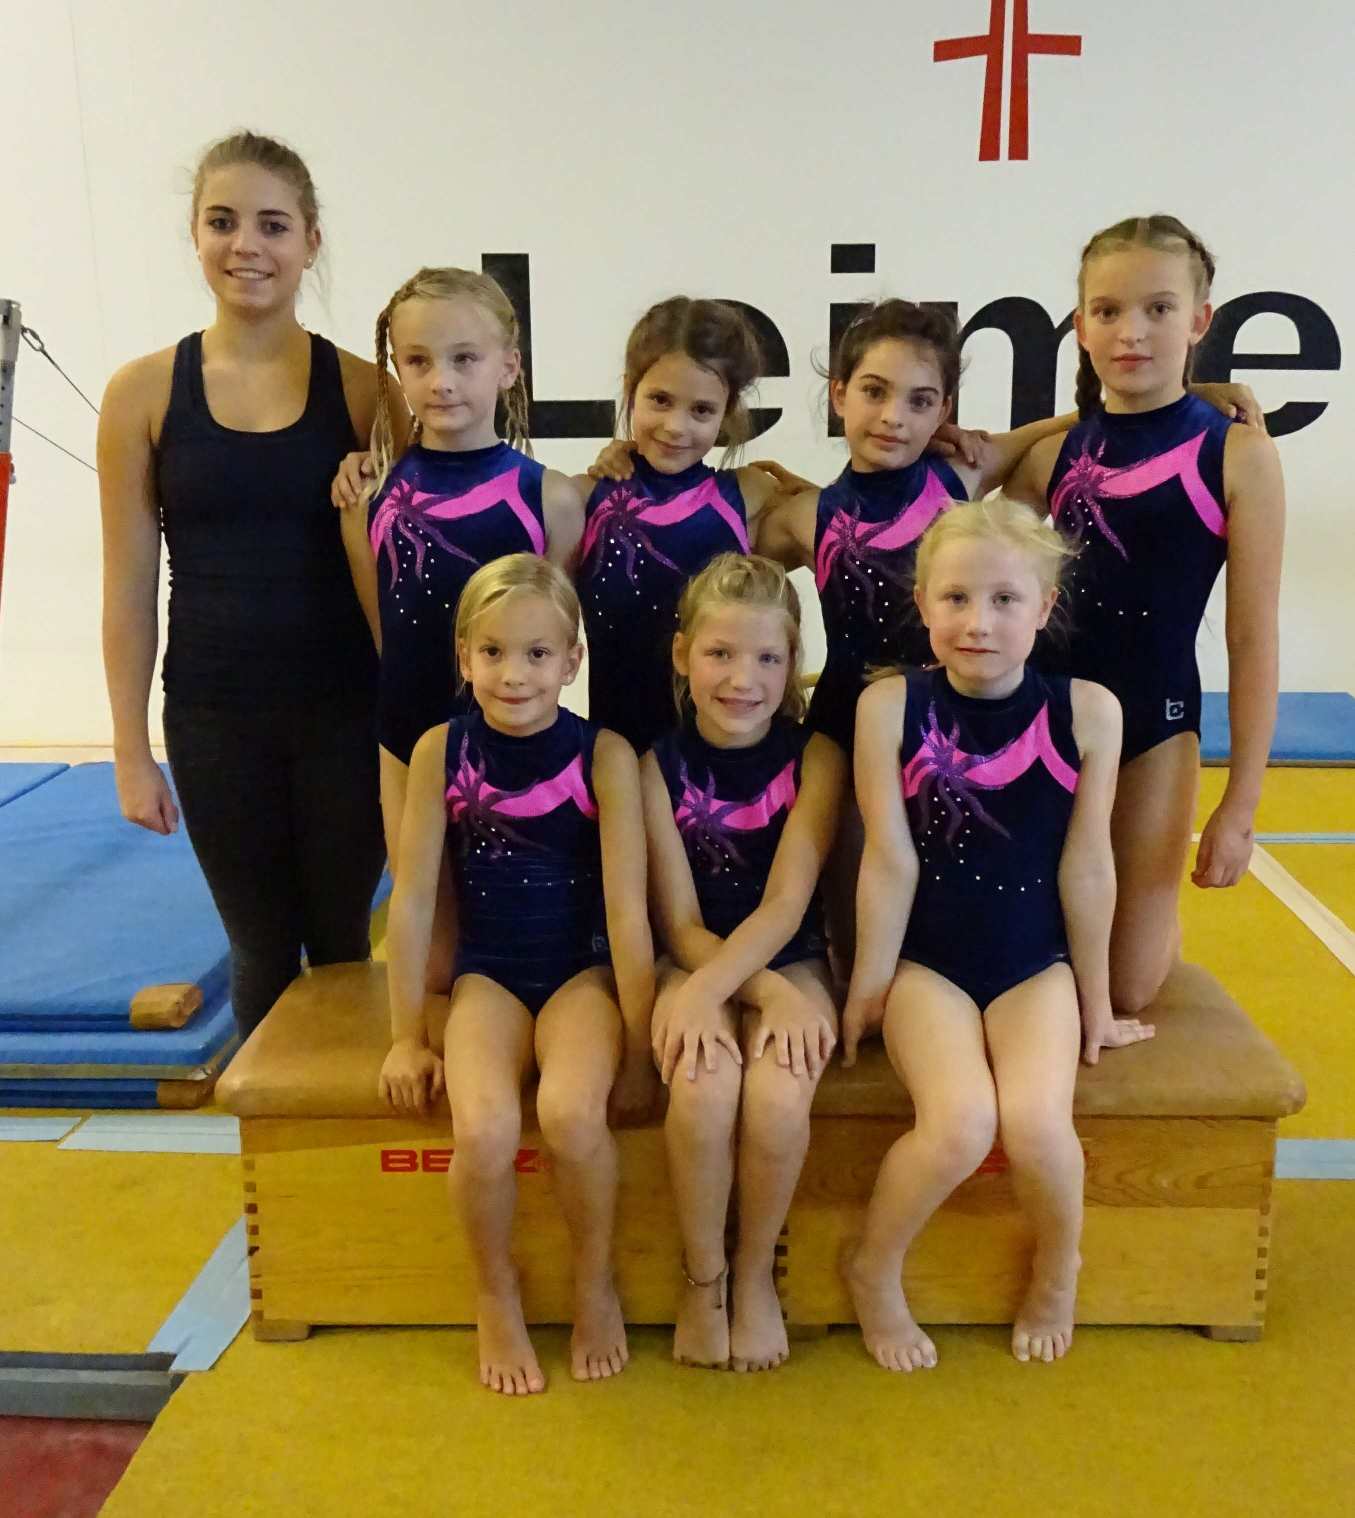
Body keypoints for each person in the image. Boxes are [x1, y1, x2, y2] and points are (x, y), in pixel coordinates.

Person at [842, 497, 1153, 1370]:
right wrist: (868, 983)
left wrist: (1094, 1002)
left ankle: (1058, 1266)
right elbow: (888, 860)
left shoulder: (1087, 711)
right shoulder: (889, 707)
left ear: (1044, 607)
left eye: (1004, 600)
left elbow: (1086, 867)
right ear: (923, 603)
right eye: (955, 599)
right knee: (957, 1125)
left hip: (1032, 966)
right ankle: (873, 1266)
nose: (977, 622)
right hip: (928, 966)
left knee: (1039, 1127)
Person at [98, 130, 385, 1039]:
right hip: (215, 716)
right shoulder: (143, 393)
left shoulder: (368, 393)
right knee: (258, 946)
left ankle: (335, 1131)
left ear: (310, 241)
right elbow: (128, 585)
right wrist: (130, 748)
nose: (246, 246)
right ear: (195, 235)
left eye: (272, 225)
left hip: (346, 712)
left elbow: (417, 568)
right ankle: (262, 1135)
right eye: (222, 222)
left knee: (339, 944)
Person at [378, 554, 655, 1395]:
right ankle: (493, 1292)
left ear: (572, 661)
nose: (513, 674)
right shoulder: (441, 751)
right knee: (486, 1131)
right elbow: (412, 900)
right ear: (463, 656)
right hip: (488, 978)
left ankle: (594, 1281)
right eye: (493, 652)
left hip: (580, 977)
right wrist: (404, 1038)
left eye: (537, 654)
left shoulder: (603, 755)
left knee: (571, 1114)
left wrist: (638, 1049)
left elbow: (626, 913)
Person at [1007, 215, 1285, 1012]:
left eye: (1158, 309)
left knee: (1124, 987)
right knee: (1026, 950)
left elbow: (1250, 637)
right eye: (1107, 311)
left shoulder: (1237, 453)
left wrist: (1239, 807)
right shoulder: (1050, 455)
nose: (1130, 332)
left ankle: (1153, 926)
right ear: (1080, 325)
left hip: (1154, 724)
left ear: (1199, 319)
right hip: (1042, 715)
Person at [338, 267, 587, 985]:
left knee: (525, 927)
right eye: (418, 361)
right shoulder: (369, 496)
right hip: (406, 734)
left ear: (509, 367)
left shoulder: (549, 498)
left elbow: (550, 639)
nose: (441, 381)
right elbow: (383, 631)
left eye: (464, 359)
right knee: (433, 940)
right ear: (397, 369)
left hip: (517, 741)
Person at [643, 553, 845, 1370]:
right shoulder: (652, 766)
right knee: (699, 1093)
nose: (742, 679)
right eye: (720, 654)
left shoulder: (817, 757)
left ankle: (756, 1271)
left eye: (766, 658)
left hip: (789, 961)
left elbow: (788, 904)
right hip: (692, 961)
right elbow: (679, 921)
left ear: (791, 663)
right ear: (682, 654)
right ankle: (704, 1277)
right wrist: (722, 990)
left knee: (777, 1100)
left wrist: (765, 990)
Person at [576, 297, 785, 752]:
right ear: (630, 389)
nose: (675, 426)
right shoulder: (586, 499)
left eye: (702, 410)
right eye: (660, 400)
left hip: (726, 761)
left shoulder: (749, 496)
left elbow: (851, 517)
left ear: (728, 411)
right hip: (620, 760)